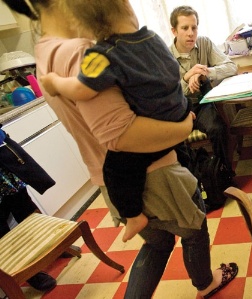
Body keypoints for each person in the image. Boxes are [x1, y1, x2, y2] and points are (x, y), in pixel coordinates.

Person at [2, 0, 238, 298]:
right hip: (153, 175)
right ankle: (205, 284)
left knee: (157, 242)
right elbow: (122, 136)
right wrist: (183, 127)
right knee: (194, 228)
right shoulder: (83, 52)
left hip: (111, 180)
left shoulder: (45, 49)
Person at [40, 0, 192, 242]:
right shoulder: (152, 37)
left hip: (153, 126)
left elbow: (82, 89)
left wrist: (55, 83)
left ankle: (133, 216)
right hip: (179, 109)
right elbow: (174, 71)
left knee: (114, 168)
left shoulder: (101, 54)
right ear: (126, 7)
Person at [169, 5, 238, 171]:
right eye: (184, 28)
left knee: (218, 129)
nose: (191, 33)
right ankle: (194, 181)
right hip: (179, 110)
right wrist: (186, 78)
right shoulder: (165, 55)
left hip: (202, 105)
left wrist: (203, 72)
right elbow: (167, 93)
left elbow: (232, 66)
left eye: (194, 27)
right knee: (171, 140)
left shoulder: (205, 43)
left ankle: (225, 175)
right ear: (174, 31)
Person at [0, 128, 56, 292]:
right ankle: (28, 272)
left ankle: (51, 247)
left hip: (4, 164)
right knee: (2, 231)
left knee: (27, 210)